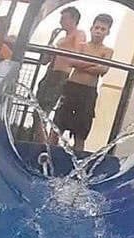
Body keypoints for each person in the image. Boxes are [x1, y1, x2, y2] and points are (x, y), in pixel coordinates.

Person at [53, 14, 114, 153]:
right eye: (97, 28)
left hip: (89, 91)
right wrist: (94, 62)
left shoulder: (107, 51)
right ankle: (48, 152)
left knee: (81, 131)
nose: (98, 31)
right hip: (72, 87)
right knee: (58, 125)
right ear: (91, 28)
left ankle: (78, 160)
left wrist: (83, 63)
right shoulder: (82, 46)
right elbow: (72, 62)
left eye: (103, 29)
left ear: (107, 32)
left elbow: (103, 69)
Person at [34, 6, 86, 136]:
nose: (61, 22)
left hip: (61, 74)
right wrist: (50, 47)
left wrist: (60, 50)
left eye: (64, 18)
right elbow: (45, 61)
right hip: (50, 73)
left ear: (73, 19)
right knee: (38, 110)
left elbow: (78, 52)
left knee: (46, 108)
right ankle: (39, 138)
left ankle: (44, 141)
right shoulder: (60, 39)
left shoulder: (78, 34)